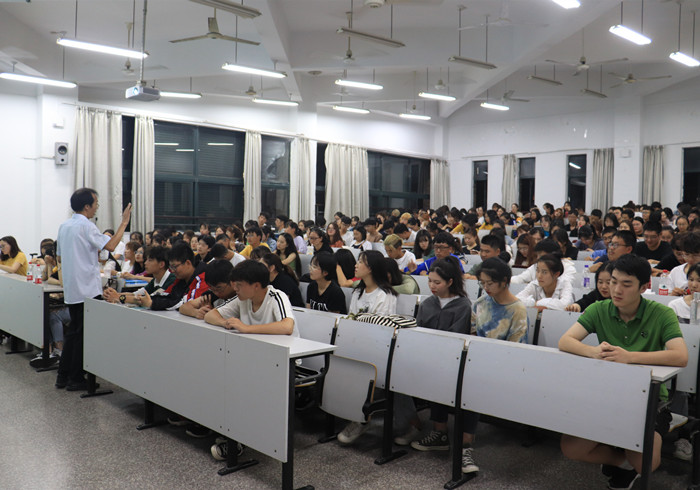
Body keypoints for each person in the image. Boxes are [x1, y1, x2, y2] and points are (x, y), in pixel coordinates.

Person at [558, 254, 687, 490]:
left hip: (649, 399)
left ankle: (626, 454)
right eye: (613, 281)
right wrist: (593, 352)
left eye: (626, 284)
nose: (616, 290)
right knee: (571, 448)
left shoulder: (662, 313)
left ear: (644, 287)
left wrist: (629, 357)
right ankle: (621, 462)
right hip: (607, 394)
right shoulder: (599, 309)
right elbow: (565, 341)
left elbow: (680, 356)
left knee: (647, 464)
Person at [407, 257, 479, 474]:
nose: (432, 286)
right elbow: (418, 330)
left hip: (456, 361)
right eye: (430, 281)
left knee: (466, 392)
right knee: (432, 383)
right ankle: (439, 433)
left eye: (437, 282)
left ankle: (464, 445)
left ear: (450, 282)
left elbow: (456, 337)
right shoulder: (428, 303)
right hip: (431, 359)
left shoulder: (462, 305)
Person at [55, 188, 132, 392]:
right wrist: (124, 222)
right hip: (87, 289)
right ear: (87, 206)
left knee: (73, 333)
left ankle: (63, 376)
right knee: (83, 335)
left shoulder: (64, 226)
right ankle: (76, 378)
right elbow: (111, 245)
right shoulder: (86, 226)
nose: (97, 206)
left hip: (72, 288)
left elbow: (60, 256)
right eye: (96, 203)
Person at [134, 243, 209, 311]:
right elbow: (167, 294)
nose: (172, 271)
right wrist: (148, 300)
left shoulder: (203, 278)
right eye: (171, 267)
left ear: (187, 263)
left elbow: (186, 304)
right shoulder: (179, 278)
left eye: (174, 266)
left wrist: (152, 303)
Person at [103, 246, 176, 306]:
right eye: (146, 260)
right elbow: (135, 294)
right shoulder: (155, 281)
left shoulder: (171, 280)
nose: (145, 263)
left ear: (161, 264)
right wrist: (112, 294)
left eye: (150, 260)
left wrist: (119, 297)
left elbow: (148, 300)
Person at [347, 250, 398, 316]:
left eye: (360, 262)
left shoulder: (385, 295)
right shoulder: (357, 291)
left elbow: (381, 321)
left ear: (370, 268)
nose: (356, 265)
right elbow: (351, 317)